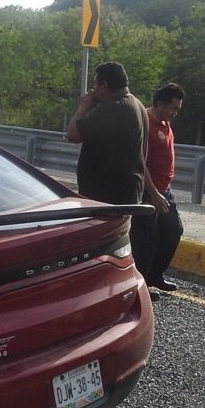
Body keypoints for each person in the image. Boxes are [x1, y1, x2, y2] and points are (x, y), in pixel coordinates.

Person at [66, 61, 168, 278]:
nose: (94, 90)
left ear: (104, 85)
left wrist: (84, 105)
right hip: (125, 191)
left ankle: (111, 286)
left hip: (106, 195)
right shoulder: (137, 105)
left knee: (103, 249)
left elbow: (73, 134)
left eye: (96, 85)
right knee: (119, 245)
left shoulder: (114, 108)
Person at [139, 83, 186, 292]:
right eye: (172, 108)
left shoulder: (166, 123)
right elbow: (140, 162)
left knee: (173, 231)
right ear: (159, 103)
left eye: (177, 109)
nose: (174, 113)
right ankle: (140, 284)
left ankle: (155, 275)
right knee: (147, 240)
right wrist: (153, 193)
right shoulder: (146, 123)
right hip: (149, 192)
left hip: (165, 189)